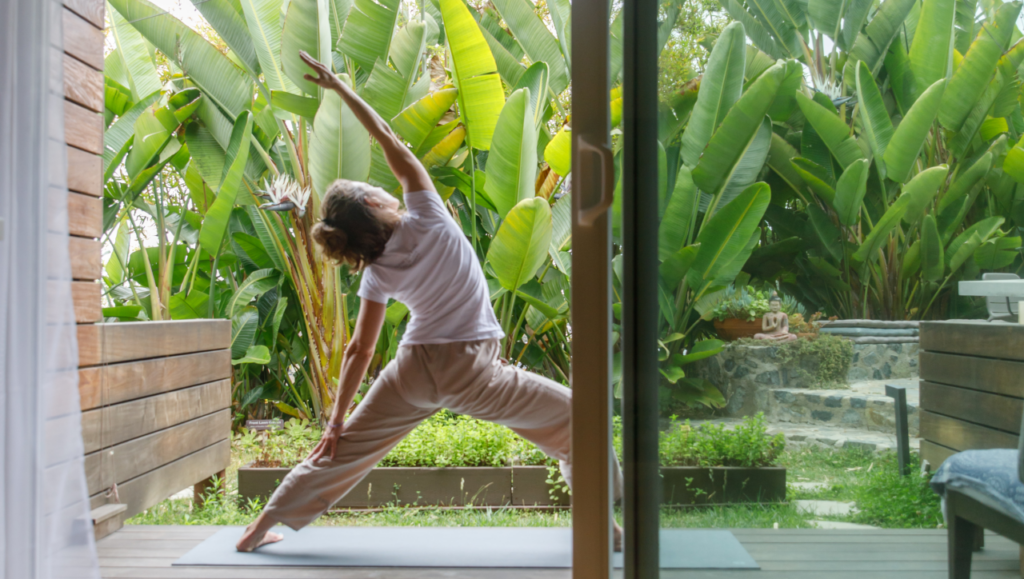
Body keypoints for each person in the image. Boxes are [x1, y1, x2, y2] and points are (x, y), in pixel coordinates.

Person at [235, 51, 624, 553]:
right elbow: (388, 138)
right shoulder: (428, 215)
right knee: (579, 419)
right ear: (375, 203)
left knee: (344, 451)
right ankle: (604, 524)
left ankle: (258, 528)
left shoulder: (375, 271)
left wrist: (335, 420)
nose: (380, 184)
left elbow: (358, 350)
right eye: (371, 187)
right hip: (470, 370)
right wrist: (340, 88)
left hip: (413, 371)